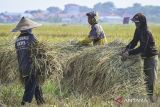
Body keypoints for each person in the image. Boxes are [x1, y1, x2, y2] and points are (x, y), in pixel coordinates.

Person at [122, 13, 159, 102]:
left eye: (137, 22)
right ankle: (148, 99)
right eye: (135, 22)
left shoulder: (146, 32)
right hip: (145, 57)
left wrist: (129, 53)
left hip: (151, 58)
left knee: (151, 79)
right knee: (146, 79)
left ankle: (152, 101)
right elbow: (134, 42)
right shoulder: (138, 30)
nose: (136, 24)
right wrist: (126, 48)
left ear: (142, 22)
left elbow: (143, 48)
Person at [12, 17, 45, 105]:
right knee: (30, 86)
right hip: (31, 66)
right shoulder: (31, 37)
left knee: (35, 84)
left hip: (22, 67)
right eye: (31, 28)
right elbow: (40, 49)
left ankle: (41, 102)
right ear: (28, 29)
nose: (31, 29)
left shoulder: (17, 40)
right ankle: (25, 103)